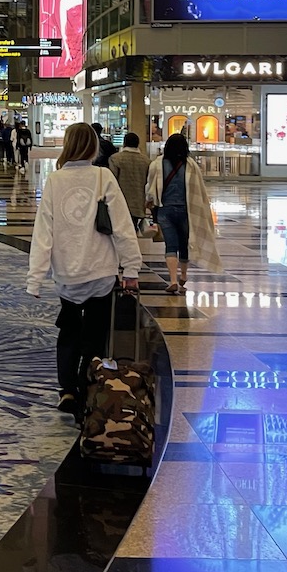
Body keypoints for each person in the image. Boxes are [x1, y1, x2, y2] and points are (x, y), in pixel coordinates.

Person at [27, 122, 142, 416]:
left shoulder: (55, 180)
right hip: (100, 271)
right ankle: (86, 388)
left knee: (68, 331)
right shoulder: (102, 176)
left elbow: (43, 231)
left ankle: (66, 391)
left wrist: (36, 277)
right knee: (94, 334)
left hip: (67, 274)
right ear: (93, 146)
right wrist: (131, 268)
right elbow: (122, 225)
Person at [146, 132, 224, 290]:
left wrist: (149, 201)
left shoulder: (157, 164)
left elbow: (150, 188)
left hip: (165, 210)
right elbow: (199, 190)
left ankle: (173, 281)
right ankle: (183, 275)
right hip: (186, 210)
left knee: (170, 245)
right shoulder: (191, 165)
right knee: (184, 243)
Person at [109, 131, 150, 230]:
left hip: (120, 201)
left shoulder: (115, 159)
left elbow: (112, 181)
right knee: (133, 229)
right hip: (138, 202)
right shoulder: (146, 161)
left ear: (124, 143)